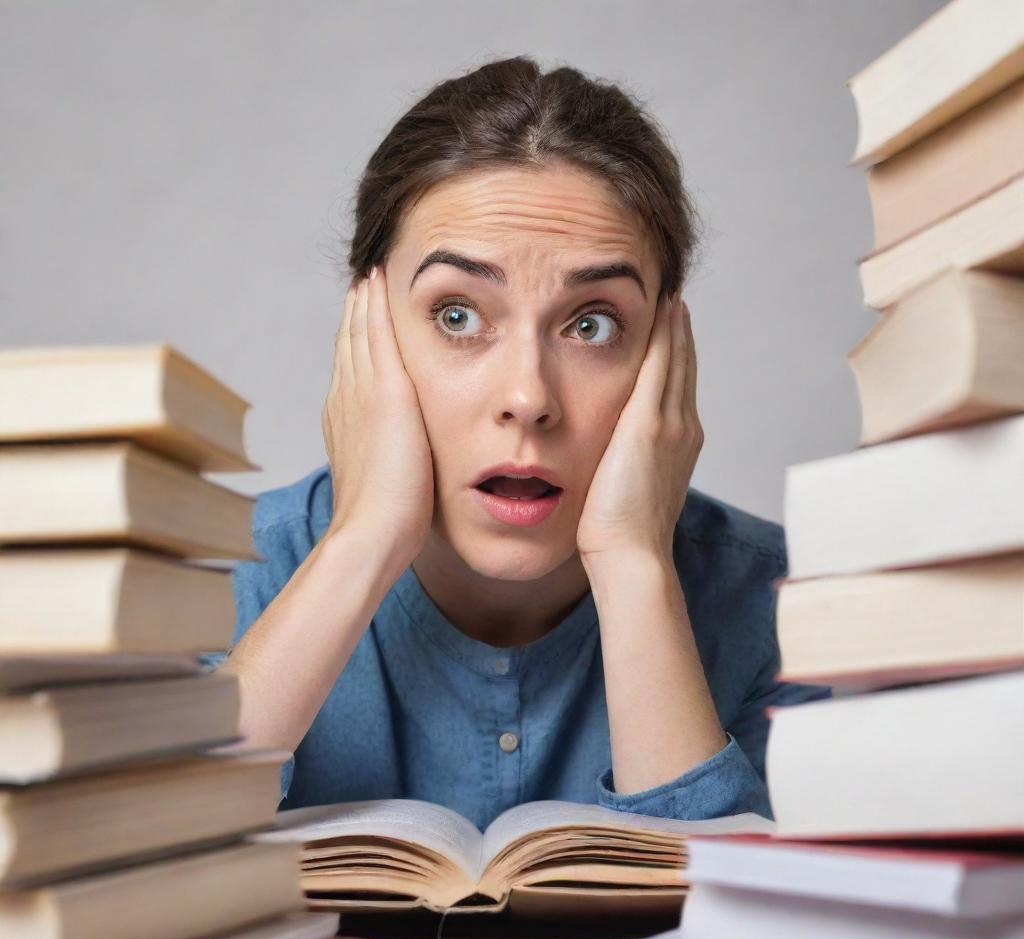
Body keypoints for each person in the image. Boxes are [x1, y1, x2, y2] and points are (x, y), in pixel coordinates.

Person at [201, 56, 831, 832]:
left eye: (592, 325)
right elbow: (128, 889)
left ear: (665, 350)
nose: (529, 399)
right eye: (458, 315)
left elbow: (753, 938)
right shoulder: (195, 591)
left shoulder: (794, 614)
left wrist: (635, 569)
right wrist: (362, 541)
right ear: (364, 328)